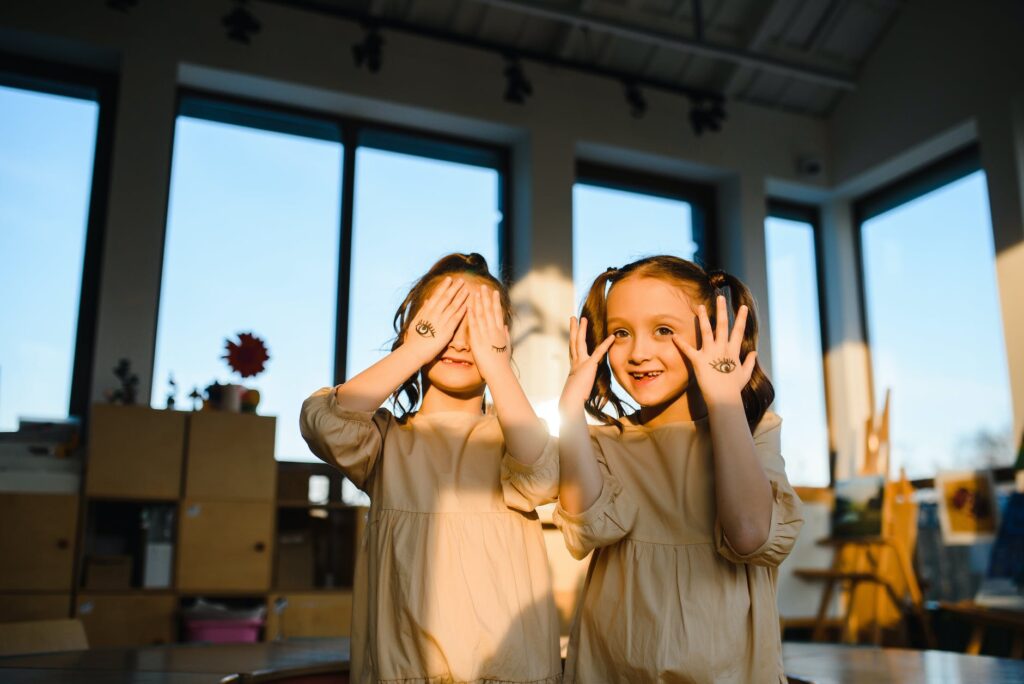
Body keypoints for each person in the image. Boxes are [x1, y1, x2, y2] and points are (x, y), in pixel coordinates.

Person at [300, 253, 561, 684]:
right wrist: (418, 346)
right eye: (444, 323)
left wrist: (496, 364)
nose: (458, 342)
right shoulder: (385, 440)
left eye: (477, 325)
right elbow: (324, 422)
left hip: (512, 671)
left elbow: (543, 475)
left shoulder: (513, 436)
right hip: (403, 670)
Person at [556, 255, 804, 683]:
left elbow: (748, 535)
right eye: (620, 333)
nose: (638, 353)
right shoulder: (604, 441)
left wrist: (724, 400)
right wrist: (570, 413)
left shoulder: (753, 430)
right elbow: (587, 530)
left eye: (664, 331)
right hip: (612, 667)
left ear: (714, 336)